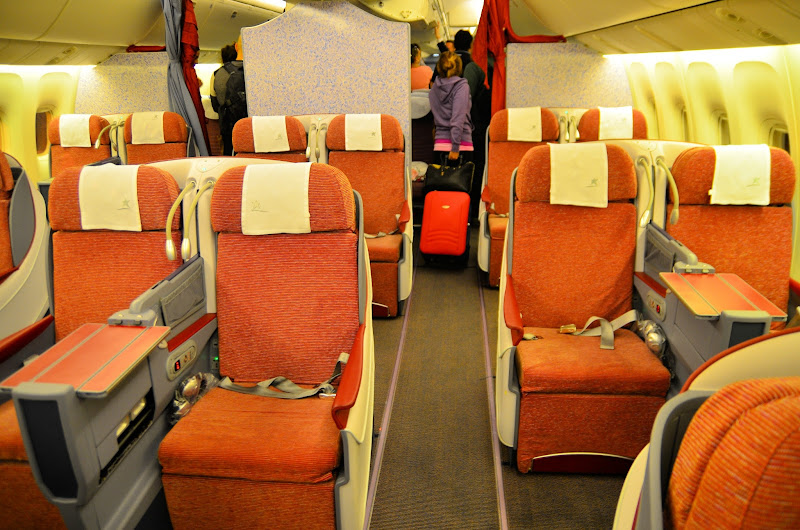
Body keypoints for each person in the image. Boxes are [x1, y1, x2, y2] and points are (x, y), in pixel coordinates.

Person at [429, 51, 473, 163]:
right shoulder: (461, 87)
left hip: (439, 143)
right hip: (460, 146)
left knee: (440, 174)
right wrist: (455, 146)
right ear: (459, 67)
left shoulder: (434, 89)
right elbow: (458, 118)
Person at [210, 41, 245, 155]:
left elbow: (215, 105)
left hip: (227, 123)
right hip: (247, 122)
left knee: (228, 152)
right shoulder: (249, 70)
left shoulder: (216, 74)